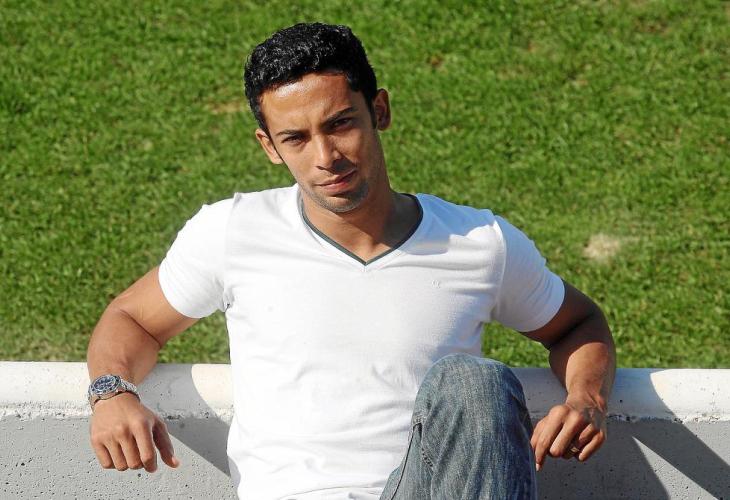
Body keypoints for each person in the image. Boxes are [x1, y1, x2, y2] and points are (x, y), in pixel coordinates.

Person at [86, 22, 616, 499]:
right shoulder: (232, 232)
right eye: (296, 138)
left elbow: (579, 324)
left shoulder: (479, 242)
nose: (326, 158)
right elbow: (132, 318)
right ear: (269, 147)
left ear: (379, 111)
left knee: (474, 384)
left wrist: (586, 398)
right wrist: (112, 393)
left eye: (340, 124)